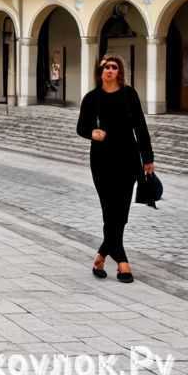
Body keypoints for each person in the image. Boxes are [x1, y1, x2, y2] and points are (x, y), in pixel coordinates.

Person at [76, 54, 154, 284]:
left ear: (119, 71)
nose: (109, 70)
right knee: (109, 210)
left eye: (114, 67)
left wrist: (147, 158)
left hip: (128, 160)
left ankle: (101, 256)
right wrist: (92, 133)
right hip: (102, 162)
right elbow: (81, 127)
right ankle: (122, 262)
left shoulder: (130, 95)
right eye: (105, 67)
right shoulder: (92, 98)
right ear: (99, 73)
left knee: (121, 213)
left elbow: (140, 126)